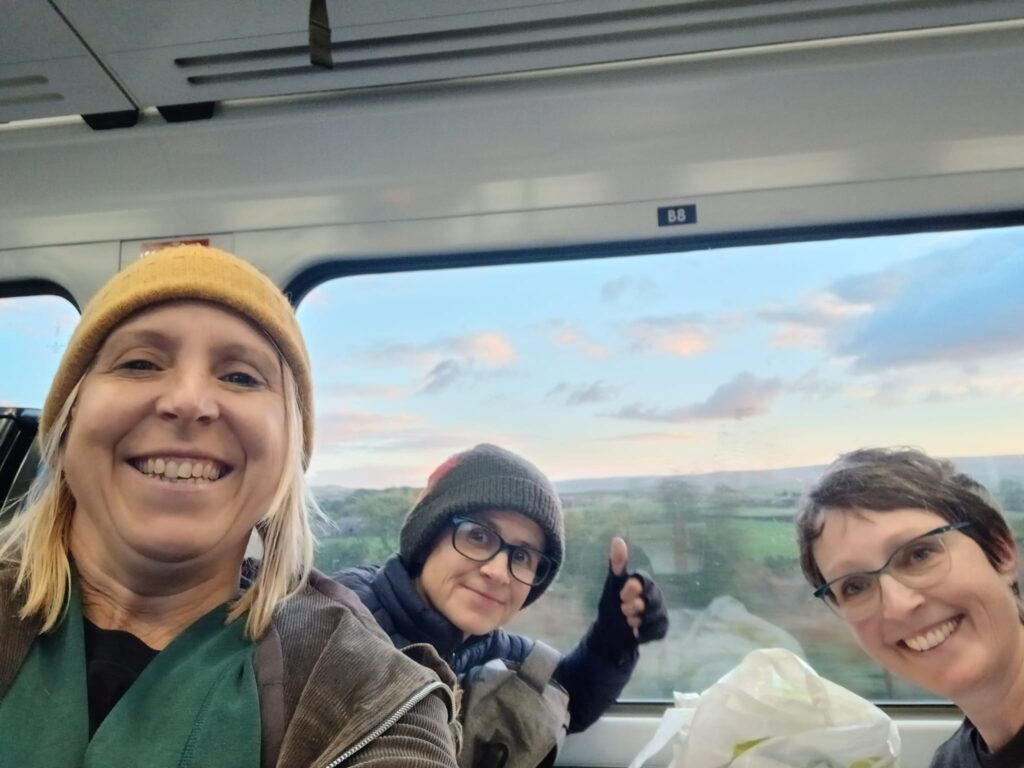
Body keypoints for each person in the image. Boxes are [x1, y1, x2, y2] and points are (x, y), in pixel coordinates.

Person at [0, 244, 458, 768]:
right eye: (140, 363)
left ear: (290, 448)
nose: (190, 401)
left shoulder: (365, 692)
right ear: (68, 420)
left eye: (241, 376)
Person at [335, 443, 669, 748]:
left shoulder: (487, 648)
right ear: (427, 538)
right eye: (478, 536)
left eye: (522, 556)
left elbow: (566, 697)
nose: (498, 572)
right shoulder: (336, 623)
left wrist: (613, 639)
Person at [795, 447, 1024, 768]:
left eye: (919, 554)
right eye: (856, 586)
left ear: (1001, 552)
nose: (898, 607)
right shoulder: (951, 762)